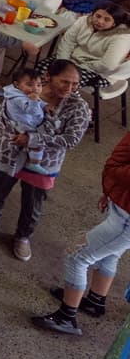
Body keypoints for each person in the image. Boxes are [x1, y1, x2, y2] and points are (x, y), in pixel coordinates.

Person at [0, 59, 92, 262]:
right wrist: (14, 136)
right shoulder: (25, 89)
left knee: (33, 203)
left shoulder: (78, 107)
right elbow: (1, 116)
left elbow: (70, 139)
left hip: (43, 164)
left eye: (75, 84)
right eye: (64, 82)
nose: (70, 88)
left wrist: (32, 139)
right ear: (47, 77)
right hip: (11, 153)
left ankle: (23, 236)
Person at [33, 131, 130, 335]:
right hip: (123, 206)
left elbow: (120, 167)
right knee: (109, 254)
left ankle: (66, 317)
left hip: (127, 217)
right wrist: (111, 191)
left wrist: (114, 173)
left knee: (77, 256)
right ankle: (95, 301)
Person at [46, 5, 130, 89]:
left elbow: (107, 66)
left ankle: (57, 101)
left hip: (98, 72)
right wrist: (63, 61)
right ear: (93, 14)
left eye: (107, 20)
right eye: (98, 16)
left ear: (114, 23)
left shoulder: (121, 37)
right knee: (42, 69)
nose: (100, 21)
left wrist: (75, 67)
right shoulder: (83, 21)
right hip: (71, 59)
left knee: (63, 83)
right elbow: (67, 42)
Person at [1, 68, 49, 176]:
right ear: (17, 84)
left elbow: (39, 102)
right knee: (39, 141)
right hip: (21, 126)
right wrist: (34, 100)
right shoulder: (18, 98)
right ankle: (34, 163)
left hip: (24, 121)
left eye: (39, 85)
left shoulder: (20, 92)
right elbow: (31, 109)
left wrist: (44, 105)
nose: (35, 89)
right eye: (30, 85)